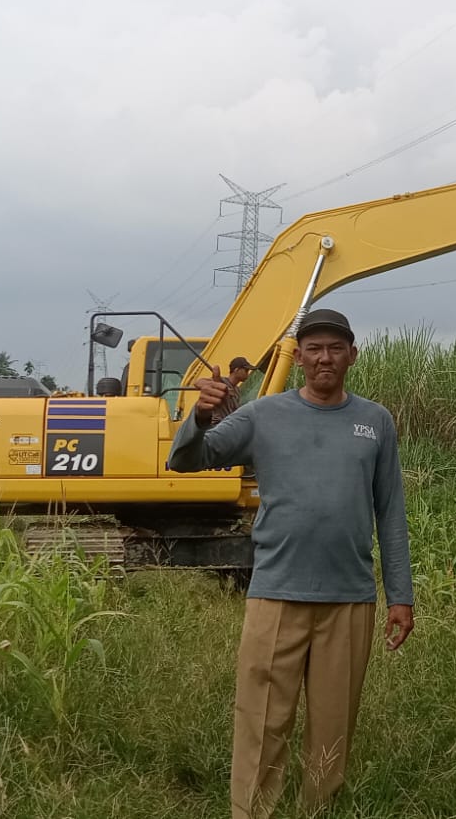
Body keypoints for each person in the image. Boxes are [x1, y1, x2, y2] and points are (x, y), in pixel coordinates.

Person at [165, 308, 414, 819]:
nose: (325, 357)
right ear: (298, 357)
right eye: (314, 348)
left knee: (332, 729)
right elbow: (187, 460)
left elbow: (390, 513)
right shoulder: (263, 415)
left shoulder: (375, 421)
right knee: (261, 723)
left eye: (335, 347)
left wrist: (401, 595)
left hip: (349, 599)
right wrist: (200, 416)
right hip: (276, 595)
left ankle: (317, 811)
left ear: (352, 355)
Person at [210, 356, 256, 424]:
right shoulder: (220, 382)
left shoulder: (237, 390)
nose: (247, 374)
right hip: (216, 425)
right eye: (246, 371)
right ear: (236, 370)